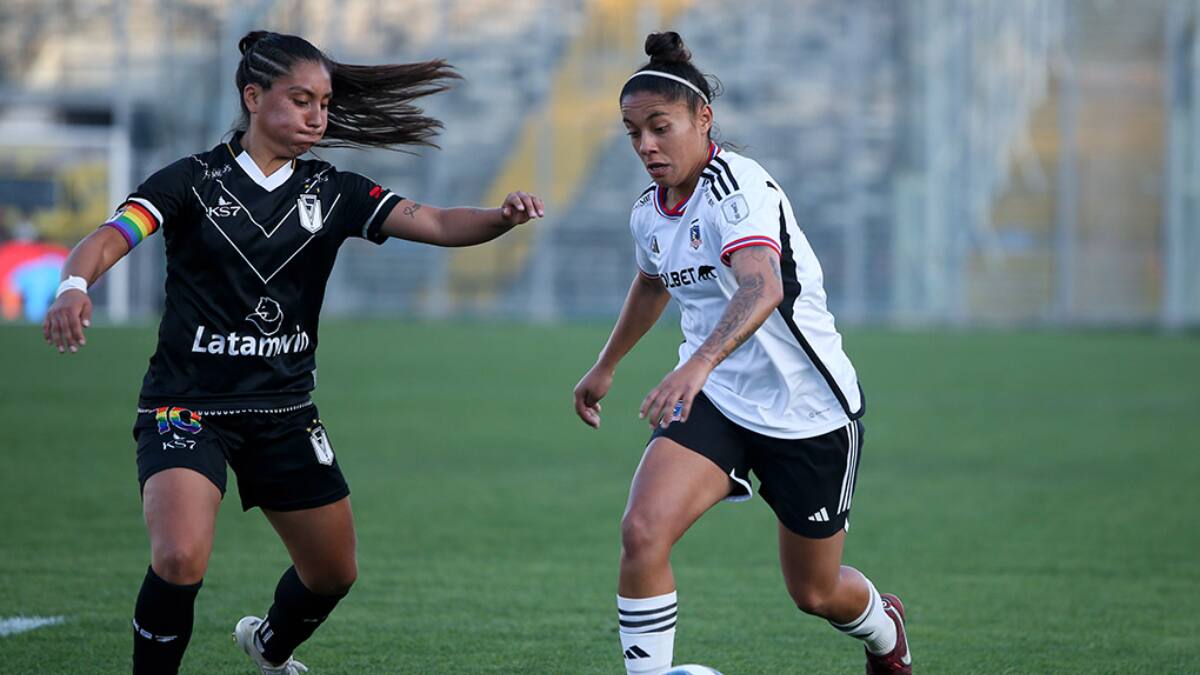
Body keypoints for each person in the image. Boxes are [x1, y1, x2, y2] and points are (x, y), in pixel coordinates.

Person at [43, 31, 544, 675]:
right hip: (187, 407)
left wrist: (502, 217)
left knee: (333, 573)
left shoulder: (334, 191)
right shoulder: (191, 181)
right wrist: (74, 285)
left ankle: (269, 647)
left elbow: (440, 223)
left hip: (284, 413)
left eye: (325, 103)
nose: (317, 116)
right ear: (253, 97)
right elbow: (112, 235)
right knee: (179, 558)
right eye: (301, 99)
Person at [572, 32, 911, 674]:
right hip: (718, 402)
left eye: (659, 127)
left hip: (807, 409)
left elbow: (762, 284)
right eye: (632, 133)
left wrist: (697, 362)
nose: (645, 145)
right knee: (642, 533)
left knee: (815, 591)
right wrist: (607, 363)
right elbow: (651, 281)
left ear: (703, 120)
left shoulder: (739, 186)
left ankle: (885, 629)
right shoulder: (650, 210)